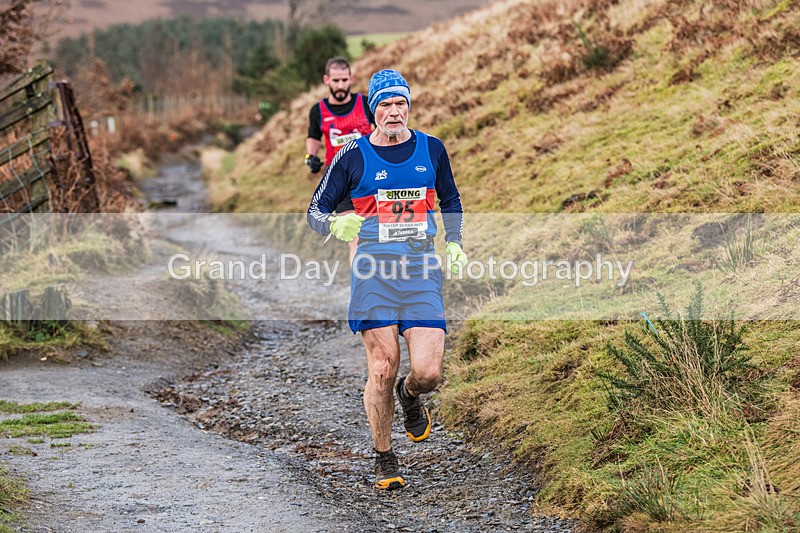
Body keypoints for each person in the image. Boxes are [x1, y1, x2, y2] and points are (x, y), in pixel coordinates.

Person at [307, 69, 468, 490]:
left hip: (420, 271)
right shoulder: (353, 155)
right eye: (385, 105)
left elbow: (450, 198)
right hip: (372, 272)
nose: (394, 112)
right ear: (373, 110)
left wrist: (455, 243)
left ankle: (410, 395)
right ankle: (384, 456)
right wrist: (334, 226)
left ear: (409, 107)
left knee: (429, 371)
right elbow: (315, 211)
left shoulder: (432, 149)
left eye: (401, 104)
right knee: (382, 366)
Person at [305, 57, 374, 263]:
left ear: (351, 79)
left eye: (344, 80)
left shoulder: (366, 104)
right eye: (336, 81)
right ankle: (360, 289)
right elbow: (313, 137)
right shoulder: (318, 111)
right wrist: (311, 157)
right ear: (326, 80)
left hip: (372, 178)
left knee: (381, 237)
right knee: (356, 239)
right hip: (341, 182)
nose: (341, 85)